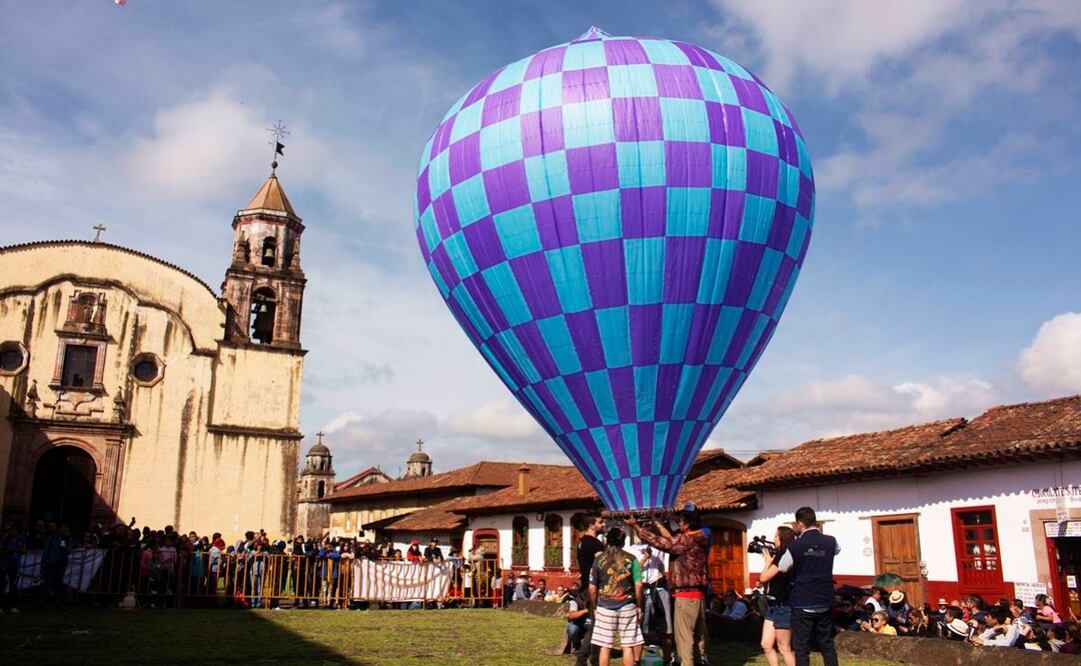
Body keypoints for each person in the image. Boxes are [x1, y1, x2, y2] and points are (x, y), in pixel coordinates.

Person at [627, 509, 710, 666]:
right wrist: (657, 522)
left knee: (685, 640)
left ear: (686, 524)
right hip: (698, 596)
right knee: (698, 638)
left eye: (681, 522)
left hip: (685, 596)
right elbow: (672, 540)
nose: (679, 524)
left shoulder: (685, 541)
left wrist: (636, 526)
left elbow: (663, 542)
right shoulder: (697, 538)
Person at [776, 507, 839, 666]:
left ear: (799, 523)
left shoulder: (795, 546)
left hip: (802, 600)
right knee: (827, 644)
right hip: (825, 599)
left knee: (801, 647)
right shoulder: (831, 541)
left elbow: (783, 567)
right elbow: (836, 551)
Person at [589, 527, 643, 666]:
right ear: (623, 542)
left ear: (607, 541)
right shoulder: (632, 559)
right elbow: (639, 585)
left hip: (604, 606)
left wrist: (594, 606)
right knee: (628, 645)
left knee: (605, 646)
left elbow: (592, 587)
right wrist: (639, 606)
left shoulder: (599, 560)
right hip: (627, 605)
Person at [757, 525, 797, 666]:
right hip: (772, 606)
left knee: (784, 647)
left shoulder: (783, 556)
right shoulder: (780, 555)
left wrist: (767, 562)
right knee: (766, 644)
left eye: (775, 536)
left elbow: (763, 578)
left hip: (783, 606)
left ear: (782, 538)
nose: (773, 539)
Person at [573, 512, 605, 666]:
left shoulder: (581, 543)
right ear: (592, 525)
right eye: (600, 522)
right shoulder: (595, 544)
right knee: (597, 623)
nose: (603, 525)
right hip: (595, 587)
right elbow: (602, 566)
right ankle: (585, 656)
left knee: (596, 622)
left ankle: (591, 656)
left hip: (586, 586)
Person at [0, 524, 26, 613]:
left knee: (13, 585)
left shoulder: (21, 539)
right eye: (12, 530)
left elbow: (24, 551)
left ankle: (13, 606)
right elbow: (1, 551)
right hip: (5, 564)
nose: (13, 531)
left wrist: (19, 550)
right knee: (2, 585)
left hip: (15, 565)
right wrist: (10, 551)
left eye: (15, 530)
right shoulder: (5, 539)